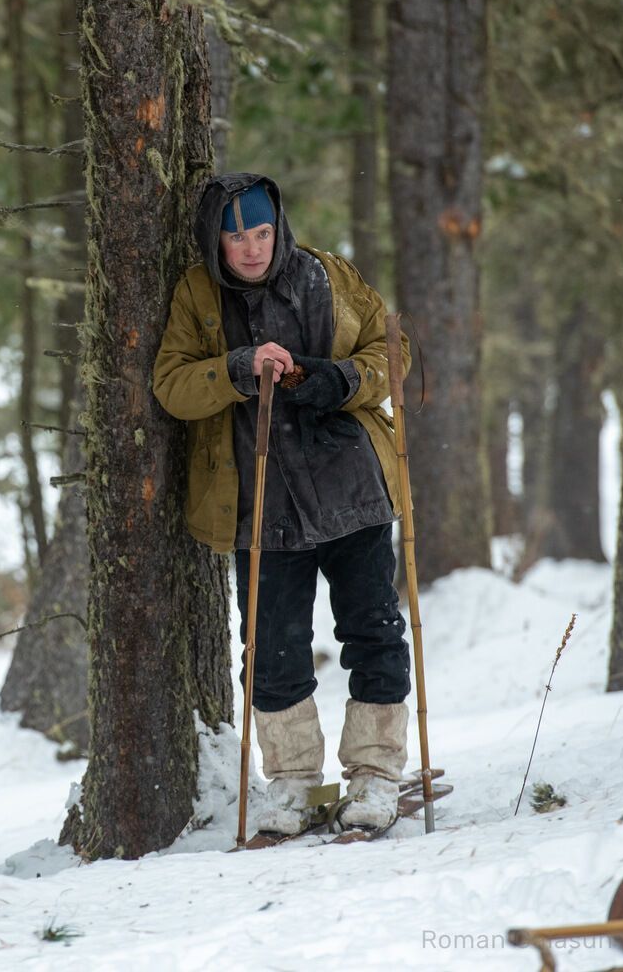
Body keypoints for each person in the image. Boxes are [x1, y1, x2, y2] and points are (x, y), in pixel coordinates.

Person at [152, 173, 413, 835]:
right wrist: (237, 369)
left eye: (262, 232)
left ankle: (376, 776)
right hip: (259, 494)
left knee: (375, 633)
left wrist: (343, 378)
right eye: (236, 235)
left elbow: (393, 349)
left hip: (351, 487)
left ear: (279, 228)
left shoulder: (327, 276)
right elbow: (173, 385)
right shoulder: (197, 294)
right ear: (216, 238)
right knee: (270, 649)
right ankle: (293, 784)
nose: (251, 248)